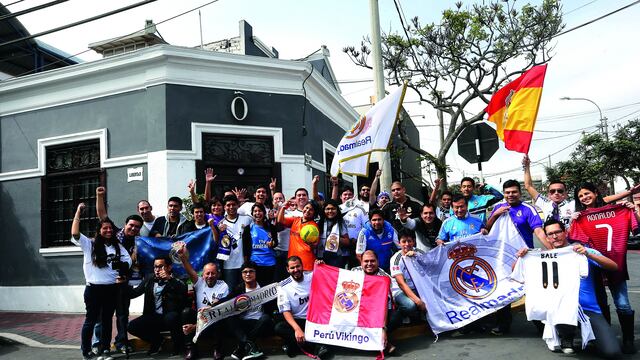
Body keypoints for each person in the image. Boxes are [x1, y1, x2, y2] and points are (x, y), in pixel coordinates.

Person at [515, 219, 622, 358]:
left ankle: (591, 337)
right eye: (550, 234)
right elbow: (516, 273)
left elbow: (613, 266)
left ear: (565, 232)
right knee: (557, 310)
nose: (555, 236)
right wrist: (522, 257)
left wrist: (588, 254)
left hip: (587, 308)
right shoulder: (542, 256)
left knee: (612, 352)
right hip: (560, 308)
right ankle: (566, 336)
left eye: (558, 232)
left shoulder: (581, 250)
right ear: (546, 237)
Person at [573, 182, 639, 354]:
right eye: (581, 196)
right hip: (594, 266)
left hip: (616, 264)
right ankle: (607, 337)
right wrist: (573, 221)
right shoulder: (579, 217)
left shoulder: (618, 209)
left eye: (587, 193)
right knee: (601, 303)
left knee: (623, 304)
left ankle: (628, 339)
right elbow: (571, 238)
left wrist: (633, 209)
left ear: (595, 193)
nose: (584, 198)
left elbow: (635, 227)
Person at [71, 203, 131, 360]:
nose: (109, 230)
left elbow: (128, 261)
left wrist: (124, 269)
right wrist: (78, 212)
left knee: (106, 321)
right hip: (93, 289)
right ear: (99, 230)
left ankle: (105, 349)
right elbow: (75, 233)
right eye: (105, 228)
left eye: (110, 228)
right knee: (90, 321)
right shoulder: (89, 244)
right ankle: (87, 351)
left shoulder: (117, 246)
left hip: (111, 289)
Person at [94, 186, 143, 355]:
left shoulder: (140, 243)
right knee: (102, 316)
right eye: (131, 225)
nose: (134, 229)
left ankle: (122, 342)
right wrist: (100, 195)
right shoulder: (114, 234)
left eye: (137, 227)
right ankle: (99, 344)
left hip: (123, 283)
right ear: (125, 224)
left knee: (122, 315)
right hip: (106, 282)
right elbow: (102, 215)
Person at [127, 256, 188, 356]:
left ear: (169, 267)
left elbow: (183, 290)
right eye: (155, 267)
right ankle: (156, 340)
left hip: (169, 317)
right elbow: (135, 293)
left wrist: (169, 279)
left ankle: (178, 345)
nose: (157, 270)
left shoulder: (176, 279)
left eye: (160, 267)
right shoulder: (149, 278)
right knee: (131, 326)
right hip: (153, 317)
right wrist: (122, 285)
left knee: (171, 317)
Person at [178, 245, 229, 360]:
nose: (210, 276)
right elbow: (189, 270)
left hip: (215, 319)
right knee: (186, 312)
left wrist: (194, 326)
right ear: (203, 275)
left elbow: (218, 309)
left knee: (217, 315)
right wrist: (182, 257)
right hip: (199, 318)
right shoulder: (199, 283)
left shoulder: (223, 286)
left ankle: (217, 349)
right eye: (207, 273)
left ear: (218, 274)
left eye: (213, 273)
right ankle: (191, 349)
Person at [275, 256, 328, 359]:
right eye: (292, 268)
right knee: (279, 327)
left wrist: (322, 265)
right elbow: (286, 311)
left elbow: (326, 275)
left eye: (298, 266)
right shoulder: (283, 286)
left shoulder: (312, 276)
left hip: (314, 319)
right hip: (297, 320)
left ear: (302, 266)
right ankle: (315, 346)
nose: (296, 270)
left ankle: (294, 346)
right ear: (287, 269)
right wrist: (297, 329)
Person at [226, 262, 274, 360]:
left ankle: (242, 347)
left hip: (259, 323)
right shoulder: (239, 288)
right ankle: (250, 346)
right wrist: (214, 304)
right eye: (245, 272)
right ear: (242, 274)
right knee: (229, 317)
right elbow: (226, 302)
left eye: (251, 271)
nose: (248, 274)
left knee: (266, 318)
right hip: (243, 324)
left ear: (256, 273)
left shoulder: (264, 287)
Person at [486, 179, 552, 249]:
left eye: (514, 192)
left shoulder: (528, 209)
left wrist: (553, 251)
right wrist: (495, 214)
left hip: (524, 253)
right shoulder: (497, 207)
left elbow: (539, 232)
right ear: (504, 194)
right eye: (507, 192)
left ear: (520, 193)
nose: (510, 195)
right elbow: (487, 229)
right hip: (503, 254)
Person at [351, 250, 395, 354]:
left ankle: (379, 341)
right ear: (361, 262)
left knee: (396, 317)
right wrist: (322, 267)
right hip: (358, 308)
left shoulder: (385, 278)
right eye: (366, 261)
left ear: (377, 262)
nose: (369, 264)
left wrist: (383, 329)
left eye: (372, 261)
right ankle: (381, 343)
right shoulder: (353, 272)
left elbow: (383, 306)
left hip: (378, 312)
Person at [389, 229, 426, 331]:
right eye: (404, 241)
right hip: (401, 291)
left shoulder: (420, 253)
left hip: (418, 288)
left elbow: (429, 273)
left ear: (414, 241)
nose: (407, 244)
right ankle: (402, 314)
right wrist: (418, 301)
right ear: (399, 243)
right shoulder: (395, 259)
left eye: (409, 241)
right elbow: (401, 284)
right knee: (410, 306)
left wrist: (416, 258)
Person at [217, 194, 253, 290]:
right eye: (228, 205)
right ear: (224, 207)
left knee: (245, 292)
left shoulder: (247, 219)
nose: (231, 207)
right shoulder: (220, 224)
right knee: (231, 293)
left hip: (244, 264)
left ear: (237, 205)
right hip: (228, 265)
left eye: (233, 204)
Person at [277, 200, 319, 272]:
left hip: (306, 261)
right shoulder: (295, 219)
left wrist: (311, 242)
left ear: (314, 213)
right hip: (292, 260)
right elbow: (280, 221)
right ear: (303, 208)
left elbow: (315, 245)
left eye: (311, 210)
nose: (307, 210)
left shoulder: (314, 227)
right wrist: (283, 208)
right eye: (307, 207)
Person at [242, 203, 279, 285]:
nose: (257, 213)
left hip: (270, 263)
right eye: (255, 211)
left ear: (264, 213)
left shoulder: (271, 227)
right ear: (252, 214)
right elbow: (245, 248)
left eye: (260, 211)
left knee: (269, 289)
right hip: (255, 264)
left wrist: (273, 243)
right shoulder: (248, 228)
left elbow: (276, 242)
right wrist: (246, 264)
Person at [316, 199, 350, 268]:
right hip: (321, 257)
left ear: (337, 210)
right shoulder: (319, 223)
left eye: (333, 209)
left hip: (336, 258)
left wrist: (336, 238)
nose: (330, 211)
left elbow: (347, 241)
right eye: (327, 209)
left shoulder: (341, 223)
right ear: (324, 210)